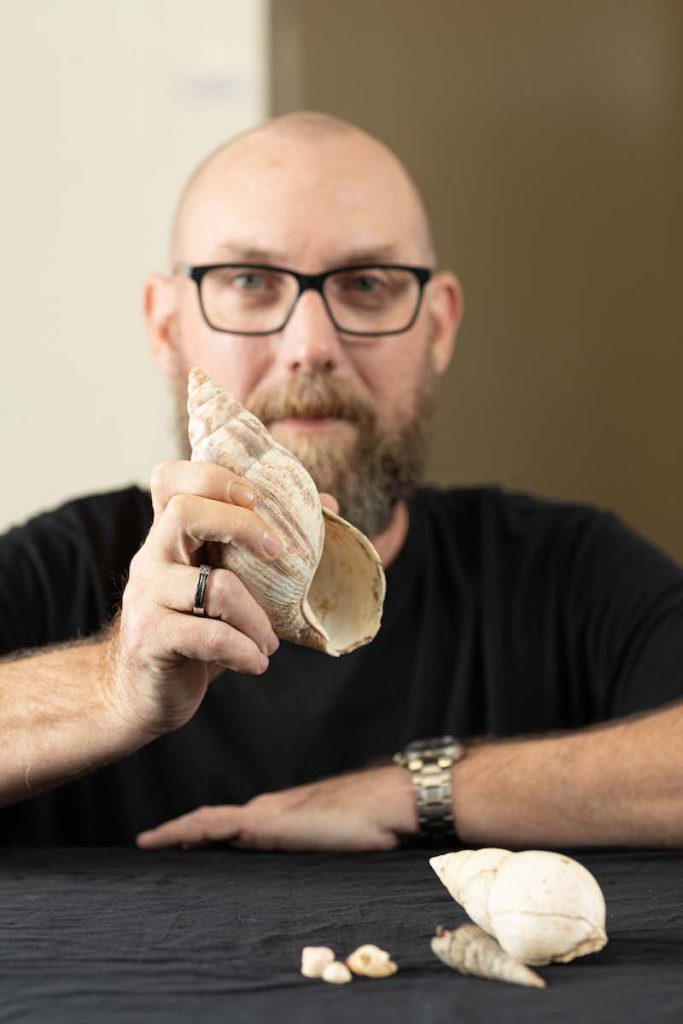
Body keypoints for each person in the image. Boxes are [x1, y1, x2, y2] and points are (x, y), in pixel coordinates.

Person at [1, 112, 683, 850]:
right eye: (250, 282)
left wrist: (419, 790)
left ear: (439, 325)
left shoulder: (567, 575)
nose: (311, 346)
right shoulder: (54, 569)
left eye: (366, 283)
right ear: (166, 328)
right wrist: (112, 682)